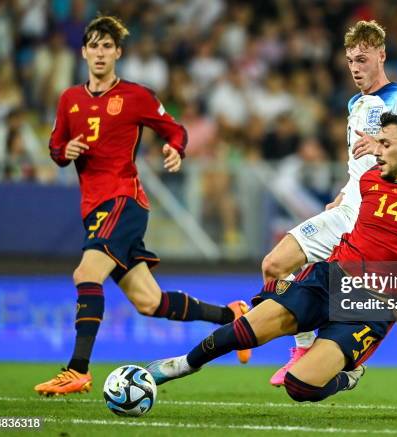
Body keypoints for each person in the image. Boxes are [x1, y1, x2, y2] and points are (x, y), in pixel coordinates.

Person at [147, 109, 397, 414]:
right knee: (246, 329)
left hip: (371, 305)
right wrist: (340, 200)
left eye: (386, 144)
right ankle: (179, 366)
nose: (379, 152)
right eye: (378, 143)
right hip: (328, 279)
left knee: (298, 387)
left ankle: (350, 375)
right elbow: (353, 199)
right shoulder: (370, 179)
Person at [34, 16, 250, 397]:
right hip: (93, 209)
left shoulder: (136, 96)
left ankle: (77, 369)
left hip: (123, 200)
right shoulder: (69, 99)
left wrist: (175, 149)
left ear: (118, 52)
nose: (100, 53)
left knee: (87, 273)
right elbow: (55, 148)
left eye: (107, 46)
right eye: (94, 46)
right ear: (83, 52)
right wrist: (64, 151)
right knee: (150, 303)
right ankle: (232, 316)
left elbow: (175, 130)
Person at [262, 20, 397, 389]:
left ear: (381, 55)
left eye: (362, 59)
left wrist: (381, 146)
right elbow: (356, 164)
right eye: (349, 60)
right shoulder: (355, 103)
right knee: (275, 264)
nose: (355, 67)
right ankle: (303, 349)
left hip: (382, 220)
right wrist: (345, 191)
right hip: (348, 211)